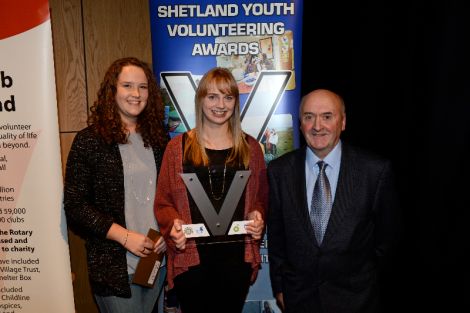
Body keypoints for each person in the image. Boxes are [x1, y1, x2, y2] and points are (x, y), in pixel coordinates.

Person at [267, 89, 401, 313]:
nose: (317, 126)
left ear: (343, 122)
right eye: (309, 117)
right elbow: (277, 239)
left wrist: (359, 277)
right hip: (299, 300)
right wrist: (280, 287)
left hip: (357, 301)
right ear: (300, 124)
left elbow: (388, 239)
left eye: (327, 116)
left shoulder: (374, 171)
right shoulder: (280, 171)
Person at [154, 67, 267, 313]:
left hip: (237, 260)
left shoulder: (251, 148)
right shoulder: (177, 148)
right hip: (192, 262)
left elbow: (260, 199)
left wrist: (257, 216)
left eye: (228, 97)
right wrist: (173, 224)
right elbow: (163, 203)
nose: (220, 104)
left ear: (236, 103)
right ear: (201, 99)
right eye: (212, 96)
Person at [63, 57, 169, 313]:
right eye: (127, 86)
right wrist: (125, 237)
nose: (136, 94)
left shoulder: (158, 139)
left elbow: (169, 196)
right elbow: (75, 206)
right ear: (113, 91)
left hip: (156, 262)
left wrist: (166, 231)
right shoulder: (90, 141)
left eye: (143, 87)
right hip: (113, 267)